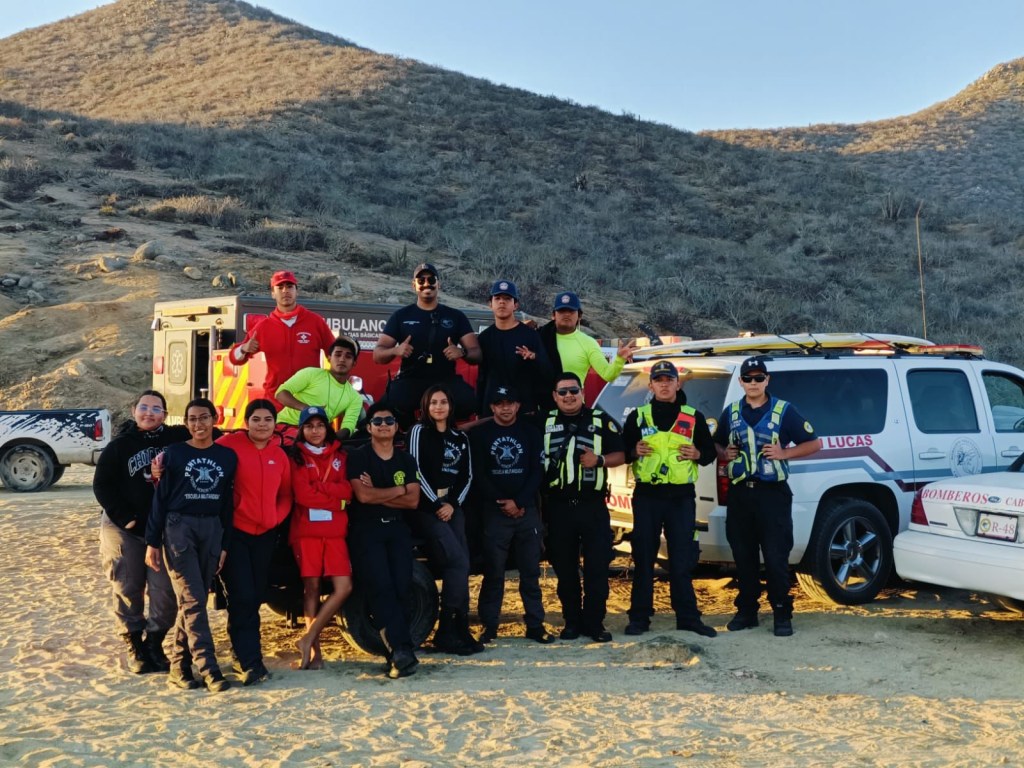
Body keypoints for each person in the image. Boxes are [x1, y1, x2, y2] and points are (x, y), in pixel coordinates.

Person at [714, 356, 822, 637]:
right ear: (741, 382)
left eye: (758, 378)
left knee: (775, 557)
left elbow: (814, 443)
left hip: (772, 494)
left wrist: (785, 453)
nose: (753, 383)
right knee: (743, 556)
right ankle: (747, 611)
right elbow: (716, 443)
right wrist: (725, 453)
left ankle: (781, 613)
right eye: (748, 378)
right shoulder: (732, 411)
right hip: (740, 494)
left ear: (767, 380)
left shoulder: (784, 411)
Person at [94, 390, 189, 675]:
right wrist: (128, 519)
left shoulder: (177, 438)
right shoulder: (119, 446)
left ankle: (155, 642)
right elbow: (102, 486)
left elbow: (210, 436)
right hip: (125, 528)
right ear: (134, 410)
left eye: (156, 408)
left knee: (165, 592)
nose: (149, 413)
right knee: (127, 585)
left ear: (165, 413)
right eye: (144, 407)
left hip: (162, 528)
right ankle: (135, 643)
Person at [145, 398, 237, 692]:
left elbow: (226, 503)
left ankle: (178, 667)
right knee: (194, 600)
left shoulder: (227, 456)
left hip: (212, 528)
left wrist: (224, 543)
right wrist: (152, 542)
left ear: (214, 419)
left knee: (192, 600)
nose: (199, 424)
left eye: (204, 418)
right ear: (186, 423)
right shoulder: (173, 454)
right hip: (179, 527)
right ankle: (209, 669)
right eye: (192, 419)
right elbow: (159, 500)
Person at [622, 361, 718, 638]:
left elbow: (710, 453)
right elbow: (621, 449)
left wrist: (698, 454)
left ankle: (688, 617)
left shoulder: (693, 416)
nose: (664, 384)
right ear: (650, 385)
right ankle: (639, 618)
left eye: (669, 379)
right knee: (643, 558)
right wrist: (633, 450)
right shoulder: (638, 417)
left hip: (680, 497)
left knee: (681, 559)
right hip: (647, 496)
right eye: (658, 380)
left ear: (678, 384)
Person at [541, 372, 626, 642]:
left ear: (583, 393)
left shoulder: (600, 421)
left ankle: (594, 624)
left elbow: (623, 454)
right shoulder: (543, 422)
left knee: (597, 569)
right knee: (565, 571)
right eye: (562, 392)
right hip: (558, 507)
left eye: (573, 391)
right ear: (554, 396)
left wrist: (599, 460)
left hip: (593, 507)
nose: (569, 396)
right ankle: (571, 623)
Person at [213, 399, 292, 685]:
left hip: (265, 536)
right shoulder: (228, 444)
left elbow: (286, 495)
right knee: (242, 595)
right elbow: (200, 455)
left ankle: (248, 656)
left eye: (267, 420)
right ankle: (247, 660)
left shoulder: (279, 455)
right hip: (236, 534)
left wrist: (275, 518)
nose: (262, 424)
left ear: (274, 424)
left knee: (256, 595)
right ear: (247, 422)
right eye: (256, 419)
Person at [470, 385, 554, 644]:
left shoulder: (530, 432)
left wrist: (518, 502)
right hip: (494, 513)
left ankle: (535, 625)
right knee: (493, 573)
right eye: (499, 403)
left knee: (531, 572)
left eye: (510, 403)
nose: (505, 407)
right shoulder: (480, 435)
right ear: (492, 407)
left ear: (518, 406)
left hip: (526, 511)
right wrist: (503, 502)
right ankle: (489, 626)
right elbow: (478, 474)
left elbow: (536, 471)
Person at [346, 402, 422, 678]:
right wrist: (398, 491)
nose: (384, 426)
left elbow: (413, 500)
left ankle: (399, 652)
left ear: (397, 427)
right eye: (377, 422)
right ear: (368, 427)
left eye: (389, 421)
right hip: (367, 531)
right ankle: (400, 650)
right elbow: (362, 497)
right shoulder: (358, 456)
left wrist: (381, 491)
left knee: (403, 587)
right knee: (381, 587)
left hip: (398, 531)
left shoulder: (405, 460)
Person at [407, 384, 481, 655]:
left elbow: (467, 475)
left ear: (451, 406)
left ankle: (458, 628)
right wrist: (438, 504)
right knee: (456, 561)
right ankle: (447, 630)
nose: (438, 407)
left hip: (453, 506)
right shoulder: (419, 432)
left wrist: (452, 503)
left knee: (462, 565)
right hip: (427, 509)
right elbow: (414, 469)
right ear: (426, 407)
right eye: (433, 402)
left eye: (443, 402)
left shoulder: (460, 438)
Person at [373, 262, 481, 427]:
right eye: (421, 280)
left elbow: (477, 353)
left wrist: (462, 353)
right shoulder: (400, 316)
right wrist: (396, 350)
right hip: (411, 379)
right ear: (414, 285)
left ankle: (451, 435)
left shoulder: (456, 316)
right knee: (382, 409)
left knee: (471, 401)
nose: (426, 284)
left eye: (431, 279)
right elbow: (378, 355)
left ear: (438, 284)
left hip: (446, 380)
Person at [287, 406, 354, 670]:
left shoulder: (341, 455)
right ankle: (314, 654)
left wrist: (324, 490)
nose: (315, 431)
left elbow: (348, 490)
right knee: (312, 588)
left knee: (344, 588)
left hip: (335, 531)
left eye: (320, 425)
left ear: (328, 428)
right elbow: (302, 495)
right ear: (302, 430)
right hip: (306, 532)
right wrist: (335, 499)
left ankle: (307, 637)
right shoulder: (296, 458)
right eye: (309, 426)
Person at [229, 270, 336, 410]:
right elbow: (234, 358)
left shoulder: (315, 322)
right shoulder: (263, 327)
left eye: (290, 286)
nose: (285, 291)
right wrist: (244, 349)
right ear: (273, 293)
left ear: (296, 291)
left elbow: (335, 354)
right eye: (280, 287)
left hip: (309, 402)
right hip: (276, 403)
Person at [537, 291, 639, 406]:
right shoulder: (538, 338)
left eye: (571, 311)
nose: (566, 314)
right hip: (543, 408)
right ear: (553, 315)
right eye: (561, 311)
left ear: (579, 316)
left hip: (574, 407)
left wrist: (619, 359)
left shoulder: (588, 343)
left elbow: (608, 375)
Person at [476, 279, 553, 415]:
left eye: (507, 299)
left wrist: (534, 357)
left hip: (524, 409)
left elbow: (547, 370)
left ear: (515, 305)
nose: (502, 302)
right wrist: (478, 409)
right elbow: (482, 377)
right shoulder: (484, 338)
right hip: (492, 409)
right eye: (497, 298)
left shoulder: (530, 336)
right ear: (490, 304)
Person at [276, 335, 364, 440]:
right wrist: (306, 409)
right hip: (287, 426)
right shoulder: (311, 373)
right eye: (338, 354)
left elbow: (348, 428)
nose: (342, 359)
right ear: (329, 358)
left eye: (348, 356)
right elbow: (280, 393)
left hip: (316, 437)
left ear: (354, 363)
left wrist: (327, 441)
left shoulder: (355, 397)